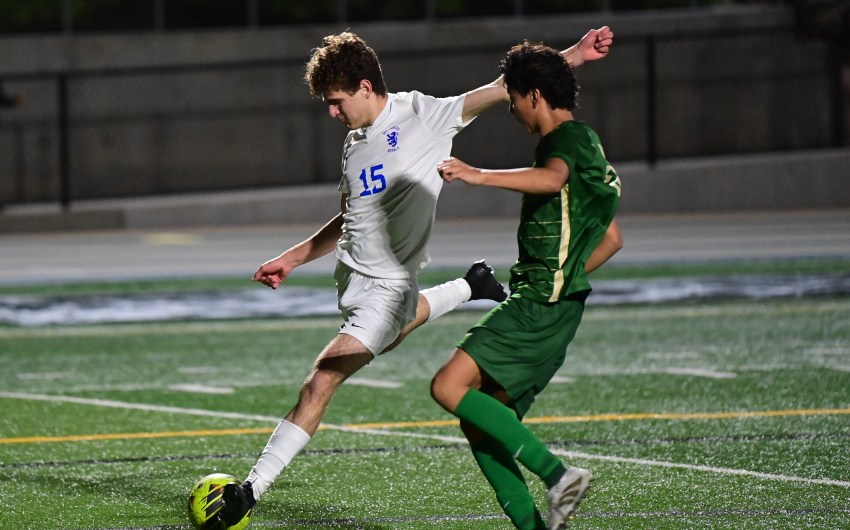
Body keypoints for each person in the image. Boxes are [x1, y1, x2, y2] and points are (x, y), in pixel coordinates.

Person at [218, 28, 615, 525]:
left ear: (365, 87)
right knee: (396, 333)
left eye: (336, 101)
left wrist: (573, 56)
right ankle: (472, 286)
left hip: (386, 291)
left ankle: (251, 490)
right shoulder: (354, 143)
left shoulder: (424, 115)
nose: (332, 112)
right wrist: (295, 257)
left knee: (321, 380)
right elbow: (352, 215)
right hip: (359, 288)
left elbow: (504, 85)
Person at [431, 41, 623, 530]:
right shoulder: (590, 143)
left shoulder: (561, 145)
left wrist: (477, 175)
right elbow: (613, 238)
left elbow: (550, 179)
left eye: (513, 97)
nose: (512, 108)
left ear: (533, 95)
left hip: (538, 303)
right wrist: (568, 274)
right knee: (480, 420)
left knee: (448, 386)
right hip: (558, 305)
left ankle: (559, 477)